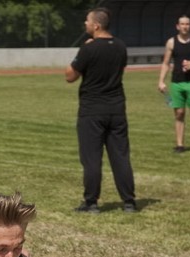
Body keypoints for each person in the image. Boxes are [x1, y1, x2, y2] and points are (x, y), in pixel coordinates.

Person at [65, 7, 137, 214]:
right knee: (120, 156)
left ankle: (91, 202)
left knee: (92, 159)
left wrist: (81, 52)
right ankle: (129, 201)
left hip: (92, 109)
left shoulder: (89, 48)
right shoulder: (120, 46)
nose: (85, 24)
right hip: (117, 108)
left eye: (87, 21)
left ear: (96, 25)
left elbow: (70, 76)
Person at [158, 15, 190, 153]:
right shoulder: (171, 43)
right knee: (179, 113)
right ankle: (180, 145)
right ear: (177, 26)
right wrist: (161, 80)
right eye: (182, 24)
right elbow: (166, 63)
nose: (185, 26)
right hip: (176, 82)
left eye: (187, 24)